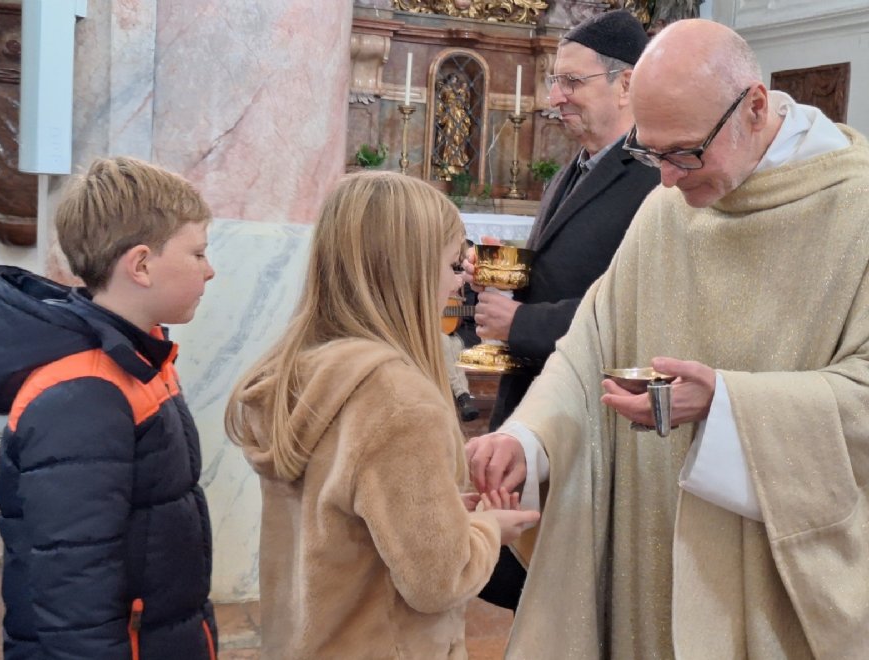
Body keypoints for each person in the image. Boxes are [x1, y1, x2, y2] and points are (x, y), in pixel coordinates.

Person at [467, 18, 869, 658]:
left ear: (756, 107)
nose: (666, 181)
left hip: (766, 568)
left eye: (683, 152)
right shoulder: (667, 208)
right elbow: (589, 348)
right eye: (650, 155)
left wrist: (729, 406)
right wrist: (529, 439)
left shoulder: (856, 207)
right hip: (643, 541)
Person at [224, 171, 539, 659]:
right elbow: (438, 579)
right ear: (407, 269)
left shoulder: (301, 369)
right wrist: (490, 528)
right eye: (453, 262)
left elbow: (349, 521)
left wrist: (448, 512)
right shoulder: (399, 400)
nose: (461, 278)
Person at [465, 9, 660, 610]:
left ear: (625, 84)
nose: (555, 98)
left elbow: (640, 302)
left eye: (571, 82)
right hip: (532, 398)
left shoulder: (655, 175)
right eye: (555, 82)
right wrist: (493, 275)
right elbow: (559, 264)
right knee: (525, 566)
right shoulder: (575, 166)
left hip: (590, 411)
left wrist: (521, 323)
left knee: (570, 583)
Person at [0, 157, 218, 658]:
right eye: (198, 253)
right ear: (140, 265)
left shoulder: (140, 354)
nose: (210, 269)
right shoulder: (84, 395)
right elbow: (74, 589)